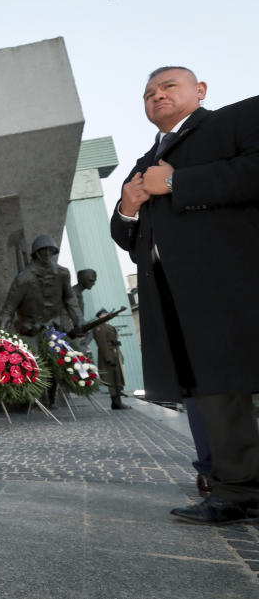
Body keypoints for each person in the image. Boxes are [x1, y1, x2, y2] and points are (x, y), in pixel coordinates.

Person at [110, 66, 259, 525]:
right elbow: (124, 235)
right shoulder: (141, 163)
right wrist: (127, 208)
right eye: (149, 93)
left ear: (201, 90)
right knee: (215, 392)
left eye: (168, 86)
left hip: (235, 281)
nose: (157, 96)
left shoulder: (234, 121)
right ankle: (237, 491)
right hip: (177, 298)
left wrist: (178, 183)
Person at [0, 234, 82, 407]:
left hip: (53, 328)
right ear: (36, 253)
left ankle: (51, 399)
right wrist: (1, 328)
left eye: (50, 251)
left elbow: (70, 300)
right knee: (34, 364)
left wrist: (78, 320)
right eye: (43, 251)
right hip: (30, 330)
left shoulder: (62, 273)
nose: (47, 254)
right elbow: (9, 307)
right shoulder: (24, 279)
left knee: (56, 365)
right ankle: (34, 399)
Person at [92, 309, 129, 410]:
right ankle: (117, 403)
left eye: (106, 314)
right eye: (104, 315)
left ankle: (116, 403)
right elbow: (102, 344)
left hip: (114, 353)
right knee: (112, 379)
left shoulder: (108, 326)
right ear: (100, 316)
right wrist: (108, 358)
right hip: (108, 355)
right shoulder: (99, 327)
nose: (106, 316)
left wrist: (119, 354)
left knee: (117, 378)